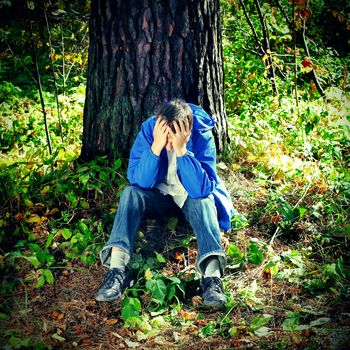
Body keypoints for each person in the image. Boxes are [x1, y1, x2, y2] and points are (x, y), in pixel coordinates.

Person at [96, 100, 234, 308]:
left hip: (190, 198)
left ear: (186, 130)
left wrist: (181, 150)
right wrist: (155, 147)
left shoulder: (202, 133)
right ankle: (116, 271)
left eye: (175, 137)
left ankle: (212, 279)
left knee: (205, 201)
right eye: (167, 137)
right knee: (130, 193)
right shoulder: (150, 130)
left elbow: (202, 189)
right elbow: (139, 180)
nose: (170, 143)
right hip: (158, 197)